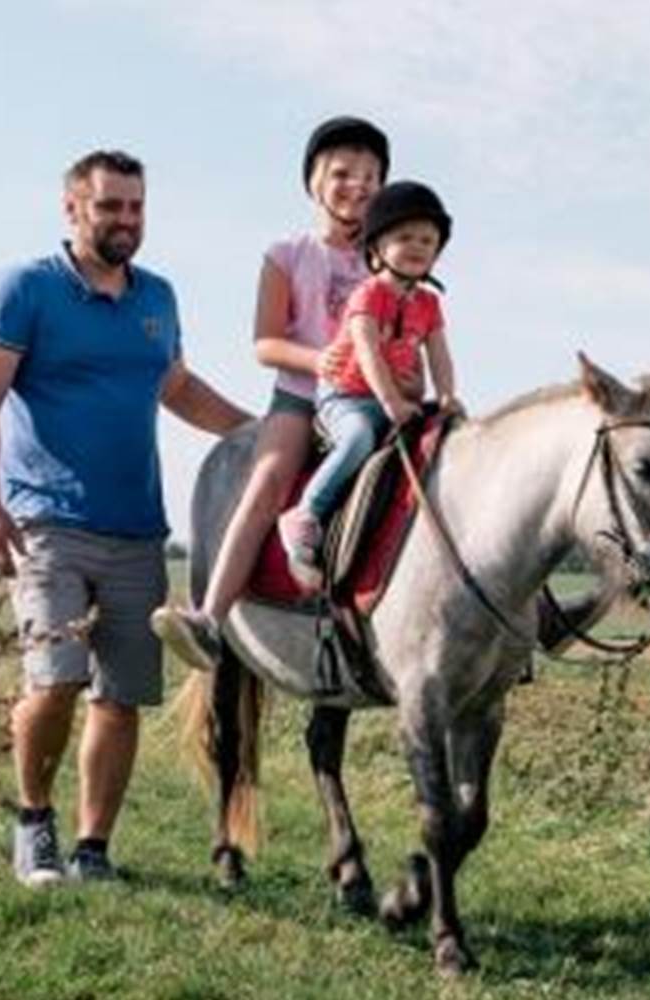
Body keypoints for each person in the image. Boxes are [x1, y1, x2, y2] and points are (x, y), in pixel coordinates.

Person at [0, 149, 250, 886]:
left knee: (119, 698)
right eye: (109, 206)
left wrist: (259, 433)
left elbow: (177, 388)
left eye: (136, 207)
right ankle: (34, 823)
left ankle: (93, 849)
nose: (126, 220)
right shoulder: (24, 288)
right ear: (72, 209)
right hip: (45, 523)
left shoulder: (157, 297)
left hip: (137, 528)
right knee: (54, 680)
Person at [150, 116, 398, 667]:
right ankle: (210, 618)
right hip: (301, 398)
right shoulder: (287, 254)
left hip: (374, 399)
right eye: (342, 173)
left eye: (370, 175)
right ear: (313, 181)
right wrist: (322, 360)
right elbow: (265, 342)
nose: (357, 185)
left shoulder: (388, 259)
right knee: (265, 483)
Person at [276, 179, 461, 591]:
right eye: (404, 237)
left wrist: (447, 394)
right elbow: (367, 353)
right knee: (359, 438)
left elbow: (440, 353)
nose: (417, 246)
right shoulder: (369, 294)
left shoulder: (429, 303)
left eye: (428, 240)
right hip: (346, 395)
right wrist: (392, 401)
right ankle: (306, 513)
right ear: (376, 248)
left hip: (392, 396)